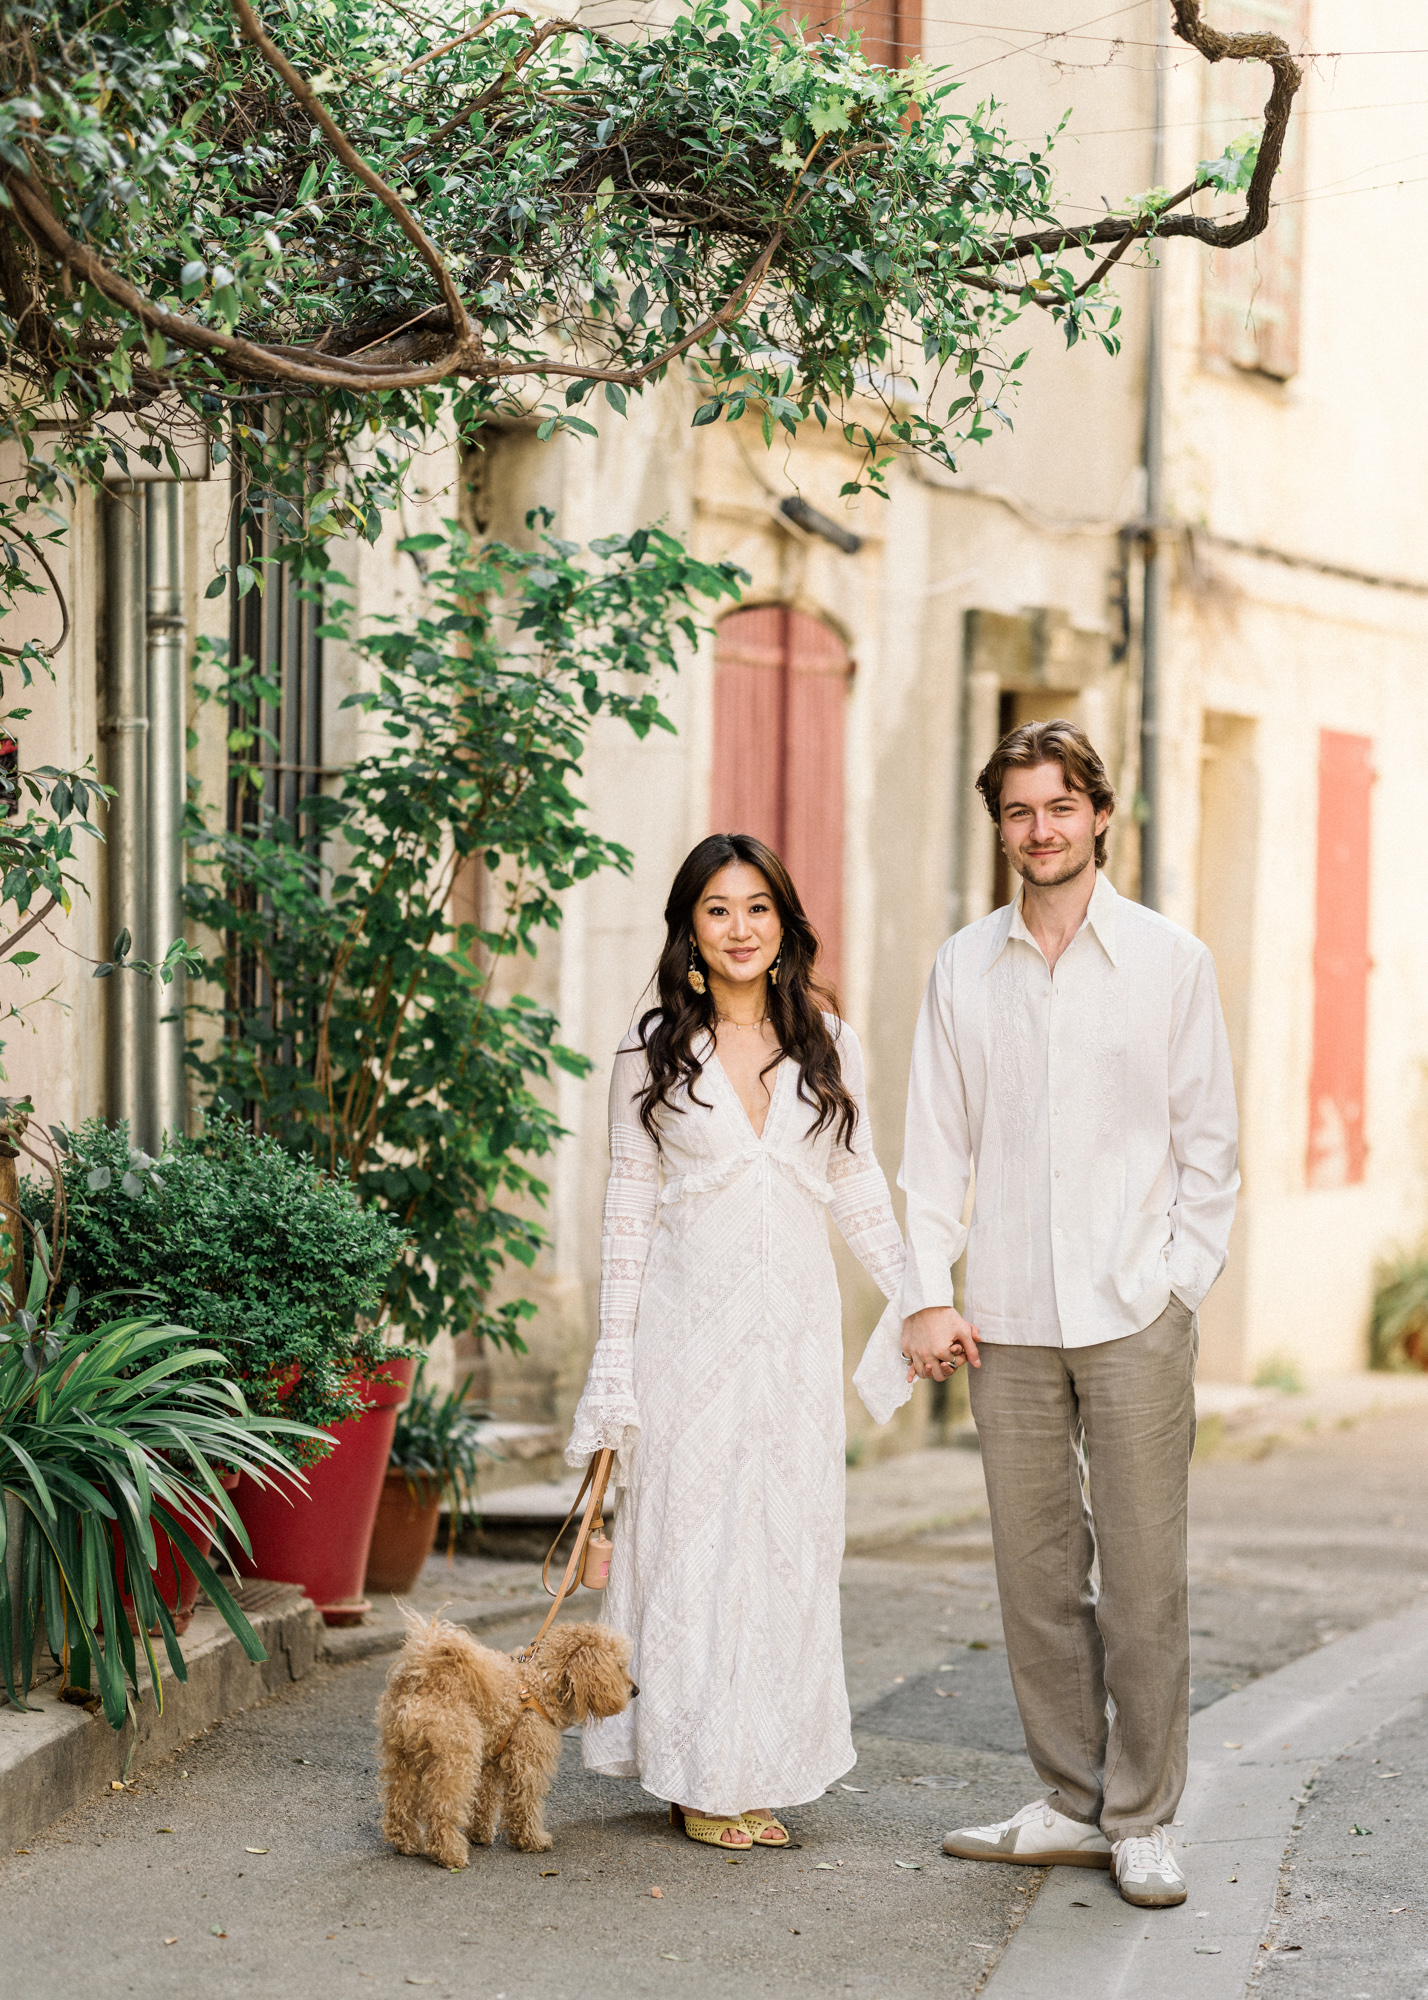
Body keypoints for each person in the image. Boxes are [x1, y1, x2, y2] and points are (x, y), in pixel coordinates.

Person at [887, 720, 1239, 1910]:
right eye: (1018, 812)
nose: (1040, 830)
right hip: (1008, 1313)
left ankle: (1143, 1816)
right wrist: (929, 1288)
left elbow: (1211, 1147)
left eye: (1060, 807)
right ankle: (1068, 1799)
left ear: (1099, 814)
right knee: (1036, 1571)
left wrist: (1182, 1281)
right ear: (1002, 827)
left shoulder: (1169, 960)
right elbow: (933, 1146)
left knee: (1144, 1573)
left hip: (1136, 1304)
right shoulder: (960, 969)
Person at [565, 833, 906, 1850]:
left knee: (781, 1540)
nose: (741, 927)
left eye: (758, 906)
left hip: (794, 1336)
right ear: (691, 931)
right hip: (686, 1332)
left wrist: (920, 1297)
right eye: (718, 909)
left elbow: (860, 1187)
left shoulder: (828, 1041)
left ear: (784, 923)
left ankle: (749, 1758)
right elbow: (626, 1214)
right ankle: (697, 1771)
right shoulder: (651, 1050)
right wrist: (613, 1367)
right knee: (691, 1542)